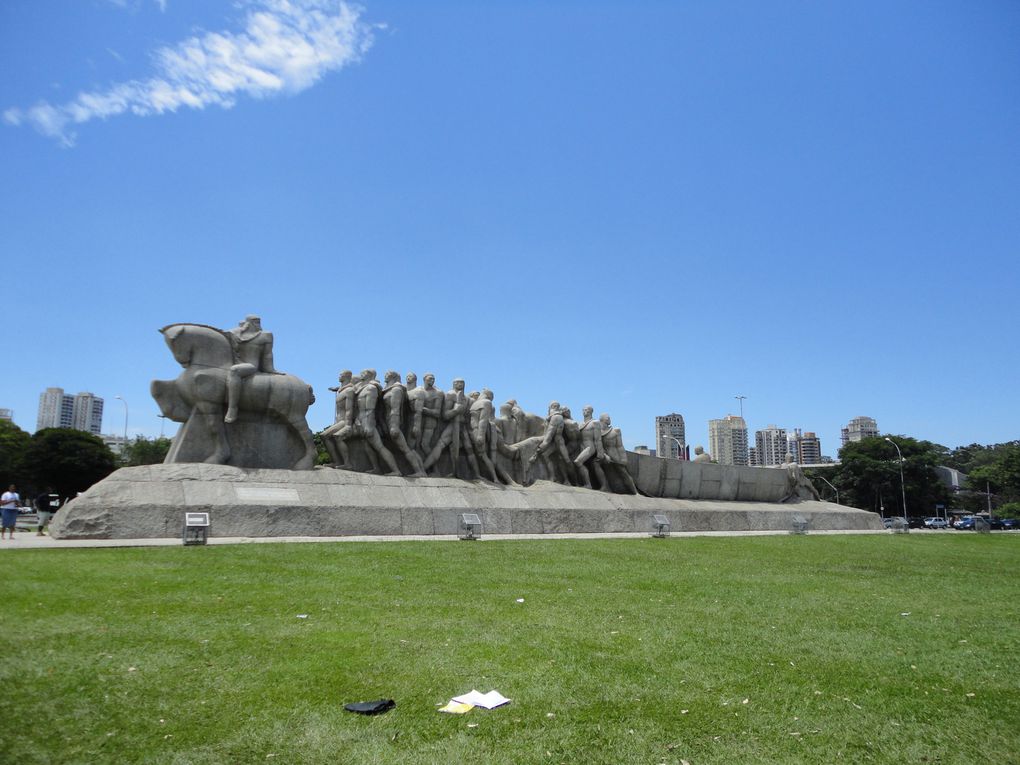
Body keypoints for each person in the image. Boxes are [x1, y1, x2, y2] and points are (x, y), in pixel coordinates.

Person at [223, 315, 284, 423]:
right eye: (255, 322)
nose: (258, 324)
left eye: (259, 322)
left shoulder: (265, 335)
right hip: (232, 363)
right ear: (248, 323)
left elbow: (267, 355)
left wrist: (270, 369)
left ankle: (232, 408)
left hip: (250, 365)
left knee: (234, 371)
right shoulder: (234, 333)